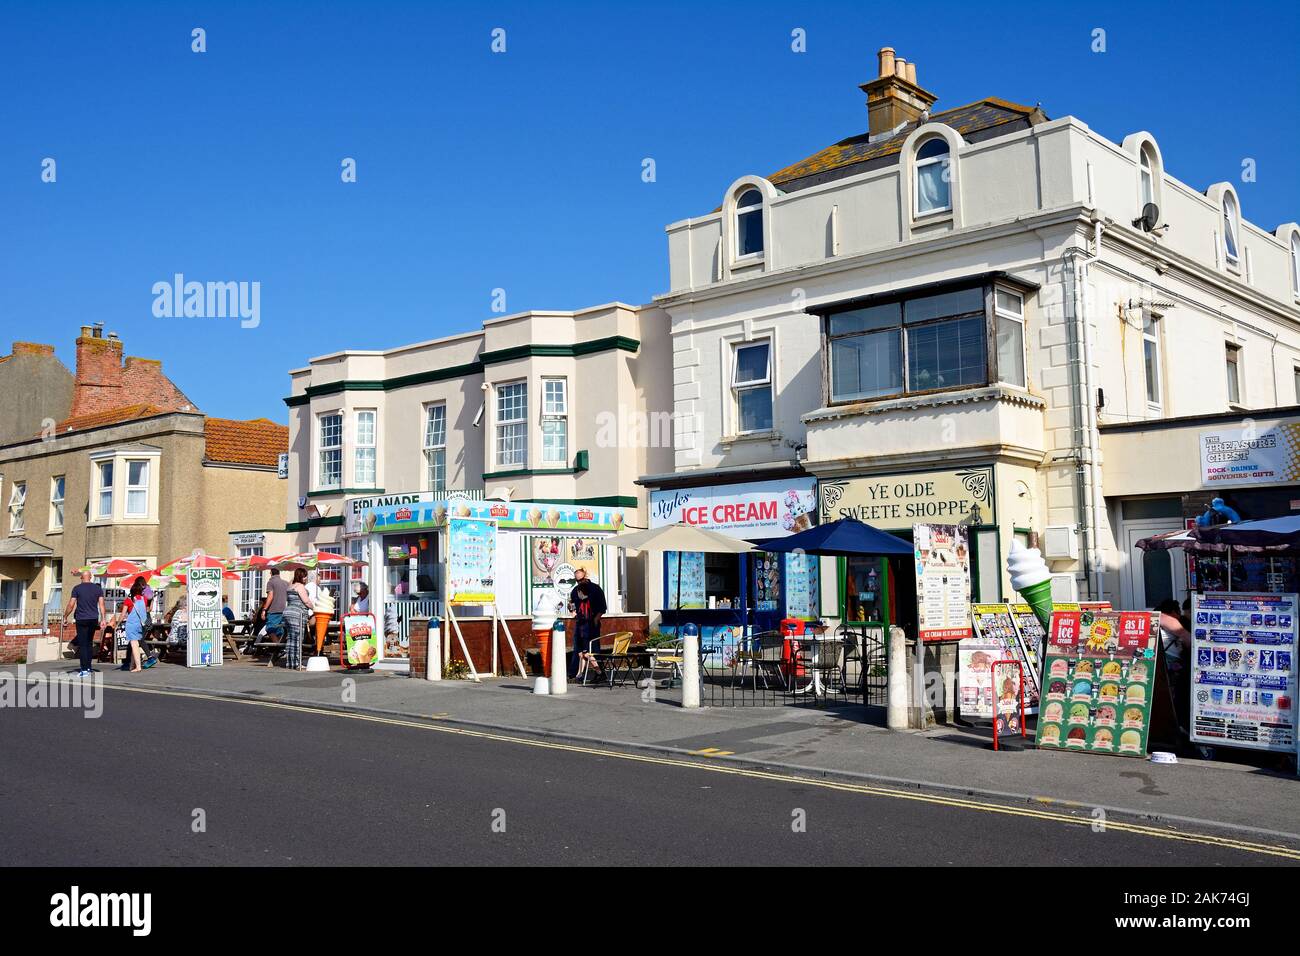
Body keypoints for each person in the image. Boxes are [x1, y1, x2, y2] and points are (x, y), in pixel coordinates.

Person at [1156, 598, 1192, 738]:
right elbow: (1188, 639)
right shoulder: (1169, 621)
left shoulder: (1160, 621)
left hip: (1163, 667)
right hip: (1169, 668)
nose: (1182, 615)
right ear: (1172, 612)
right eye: (1180, 612)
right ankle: (1181, 726)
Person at [62, 570, 105, 678]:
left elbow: (71, 605)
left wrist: (65, 617)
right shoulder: (97, 588)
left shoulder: (77, 588)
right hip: (93, 619)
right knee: (89, 643)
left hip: (81, 619)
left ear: (81, 577)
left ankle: (84, 669)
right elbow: (101, 605)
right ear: (90, 577)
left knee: (83, 644)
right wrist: (103, 619)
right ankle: (89, 667)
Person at [568, 568, 607, 682]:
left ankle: (600, 672)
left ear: (586, 576)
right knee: (580, 652)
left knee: (590, 651)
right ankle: (579, 675)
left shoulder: (595, 589)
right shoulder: (575, 591)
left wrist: (596, 619)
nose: (579, 582)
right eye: (577, 580)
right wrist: (573, 611)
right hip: (581, 624)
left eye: (581, 580)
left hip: (591, 625)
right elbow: (572, 604)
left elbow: (602, 607)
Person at [282, 568, 312, 670]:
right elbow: (306, 601)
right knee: (298, 638)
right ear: (301, 576)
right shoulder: (300, 586)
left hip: (287, 612)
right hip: (297, 614)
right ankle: (297, 663)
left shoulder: (290, 585)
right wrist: (315, 608)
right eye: (304, 576)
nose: (306, 578)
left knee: (291, 638)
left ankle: (290, 663)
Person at [122, 583, 155, 672]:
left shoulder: (129, 600)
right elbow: (148, 609)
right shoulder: (144, 599)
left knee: (134, 644)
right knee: (135, 645)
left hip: (131, 624)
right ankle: (132, 665)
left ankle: (138, 666)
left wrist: (118, 623)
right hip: (140, 624)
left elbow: (123, 614)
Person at [261, 568, 289, 645]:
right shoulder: (286, 583)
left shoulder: (271, 582)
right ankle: (279, 650)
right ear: (279, 573)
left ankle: (277, 648)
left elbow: (270, 596)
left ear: (271, 573)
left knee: (270, 629)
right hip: (283, 610)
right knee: (280, 631)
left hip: (274, 610)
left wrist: (264, 609)